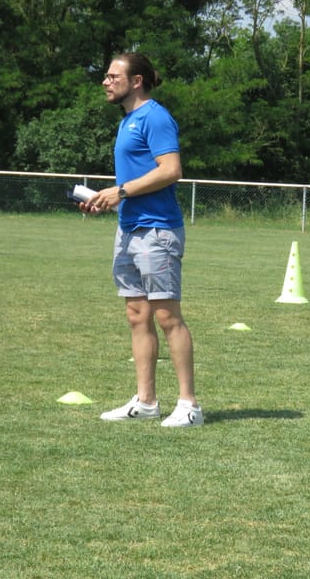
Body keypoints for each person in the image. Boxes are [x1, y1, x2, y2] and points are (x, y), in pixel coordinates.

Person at [79, 52, 202, 428]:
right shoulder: (127, 121)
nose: (105, 81)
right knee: (137, 315)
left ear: (136, 81)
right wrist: (107, 200)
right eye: (106, 75)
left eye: (113, 76)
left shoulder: (155, 117)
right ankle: (146, 401)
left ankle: (189, 405)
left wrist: (121, 191)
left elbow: (171, 170)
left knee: (167, 317)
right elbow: (135, 182)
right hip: (129, 229)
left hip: (157, 232)